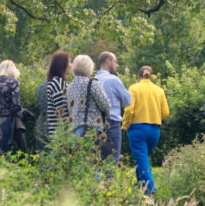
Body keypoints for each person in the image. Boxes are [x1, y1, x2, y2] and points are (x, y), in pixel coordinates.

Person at [122, 66, 169, 195]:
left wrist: (125, 125)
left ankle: (150, 191)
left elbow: (129, 110)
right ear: (152, 76)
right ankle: (140, 189)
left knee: (142, 159)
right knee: (142, 159)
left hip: (138, 129)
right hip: (154, 131)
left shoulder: (134, 88)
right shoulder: (159, 90)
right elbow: (165, 112)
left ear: (139, 76)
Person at [67, 54, 111, 156]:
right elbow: (105, 104)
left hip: (74, 130)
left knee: (79, 164)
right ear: (89, 68)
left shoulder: (69, 86)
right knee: (93, 164)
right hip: (90, 129)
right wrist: (107, 115)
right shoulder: (92, 84)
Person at [96, 51, 132, 163]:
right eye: (115, 61)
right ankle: (110, 181)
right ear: (108, 61)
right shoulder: (114, 80)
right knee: (112, 161)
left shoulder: (93, 80)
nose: (117, 65)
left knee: (97, 161)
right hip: (112, 124)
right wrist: (117, 102)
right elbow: (128, 100)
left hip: (96, 124)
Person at [35, 51, 71, 150]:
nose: (71, 65)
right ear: (62, 65)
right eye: (69, 62)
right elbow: (61, 111)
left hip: (49, 129)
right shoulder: (58, 83)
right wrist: (67, 133)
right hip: (58, 133)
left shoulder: (50, 82)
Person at [0, 59, 24, 153]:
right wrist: (21, 113)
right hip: (6, 120)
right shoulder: (13, 82)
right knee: (4, 149)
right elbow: (15, 104)